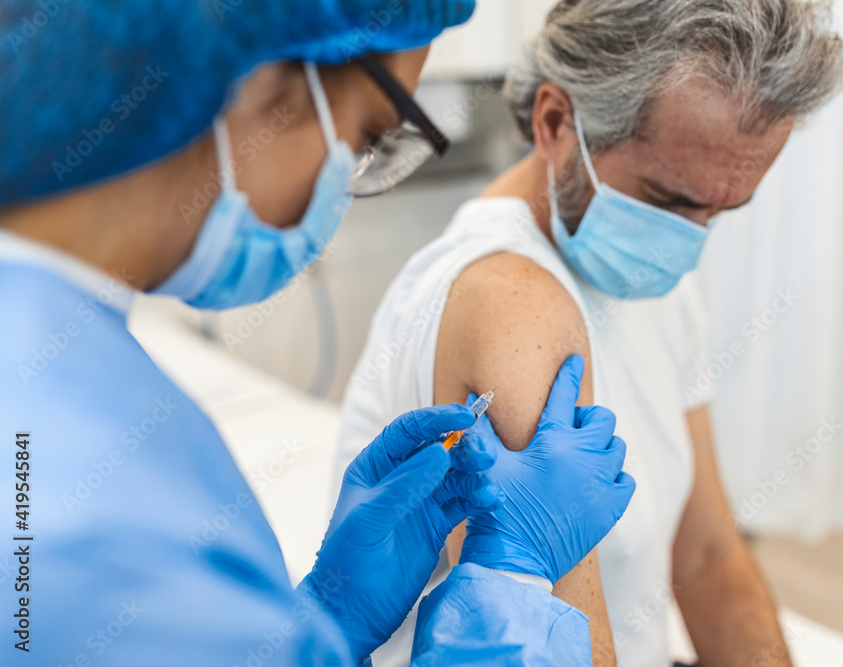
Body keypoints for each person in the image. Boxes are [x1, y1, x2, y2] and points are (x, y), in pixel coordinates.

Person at [0, 3, 636, 665]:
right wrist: (513, 581)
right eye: (367, 138)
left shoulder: (64, 362)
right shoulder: (79, 536)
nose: (344, 186)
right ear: (252, 77)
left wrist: (327, 612)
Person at [335, 0, 843, 664]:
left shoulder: (659, 283)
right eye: (669, 199)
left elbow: (709, 555)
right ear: (554, 121)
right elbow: (546, 637)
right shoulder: (508, 301)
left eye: (727, 208)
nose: (692, 238)